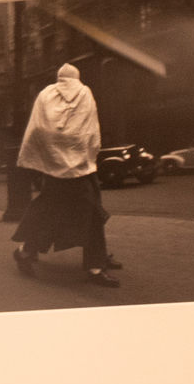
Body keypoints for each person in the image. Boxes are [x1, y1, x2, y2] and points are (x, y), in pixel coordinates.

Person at [10, 63, 121, 287]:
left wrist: (48, 157)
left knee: (49, 209)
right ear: (77, 77)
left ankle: (26, 251)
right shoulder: (84, 92)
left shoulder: (45, 95)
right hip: (80, 167)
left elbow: (36, 128)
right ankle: (95, 267)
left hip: (54, 167)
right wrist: (87, 155)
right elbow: (90, 130)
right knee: (92, 212)